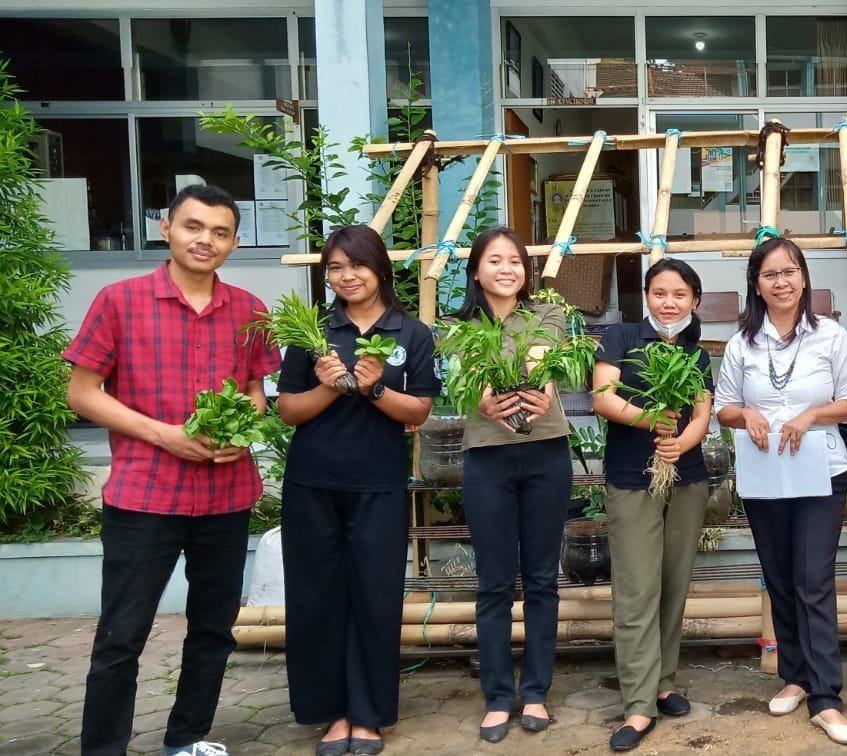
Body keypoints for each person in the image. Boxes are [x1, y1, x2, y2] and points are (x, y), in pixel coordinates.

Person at [65, 185, 282, 756]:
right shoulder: (120, 300)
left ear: (234, 242)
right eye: (193, 226)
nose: (204, 240)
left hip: (226, 496)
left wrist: (242, 433)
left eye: (219, 232)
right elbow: (83, 393)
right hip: (143, 495)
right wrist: (164, 435)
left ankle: (186, 740)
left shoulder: (249, 309)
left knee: (212, 630)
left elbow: (258, 389)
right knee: (122, 634)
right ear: (166, 228)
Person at [274, 225, 440, 756]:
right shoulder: (313, 330)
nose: (347, 277)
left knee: (375, 596)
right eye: (336, 268)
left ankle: (368, 715)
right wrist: (328, 384)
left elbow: (418, 412)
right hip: (312, 482)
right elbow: (287, 411)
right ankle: (333, 714)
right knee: (316, 598)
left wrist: (373, 386)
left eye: (357, 266)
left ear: (380, 269)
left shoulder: (409, 333)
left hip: (379, 484)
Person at [714, 237, 847, 746]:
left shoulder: (830, 335)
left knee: (813, 577)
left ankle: (826, 696)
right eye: (769, 274)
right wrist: (746, 415)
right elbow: (725, 406)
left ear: (804, 277)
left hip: (820, 470)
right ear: (756, 284)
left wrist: (812, 415)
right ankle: (795, 676)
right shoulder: (742, 343)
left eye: (790, 271)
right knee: (778, 575)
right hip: (764, 470)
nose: (781, 282)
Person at [453, 227, 574, 743]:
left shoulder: (547, 313)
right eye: (495, 260)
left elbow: (548, 363)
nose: (507, 269)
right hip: (487, 457)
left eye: (516, 261)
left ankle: (536, 692)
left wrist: (542, 391)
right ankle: (499, 695)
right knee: (495, 582)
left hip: (546, 451)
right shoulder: (461, 326)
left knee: (543, 578)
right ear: (476, 270)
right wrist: (482, 396)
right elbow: (467, 375)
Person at [591, 258, 715, 752]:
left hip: (686, 477)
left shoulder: (696, 353)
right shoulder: (621, 337)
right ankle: (638, 705)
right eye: (660, 293)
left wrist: (682, 442)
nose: (669, 302)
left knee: (672, 584)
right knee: (637, 589)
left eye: (679, 295)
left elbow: (703, 411)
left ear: (694, 301)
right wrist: (653, 422)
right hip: (632, 479)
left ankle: (663, 682)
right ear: (647, 297)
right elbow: (603, 397)